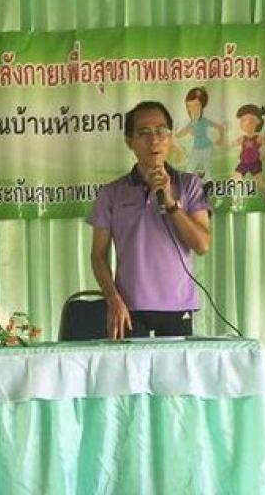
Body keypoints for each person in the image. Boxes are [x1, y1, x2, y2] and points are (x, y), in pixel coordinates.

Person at [88, 101, 211, 339]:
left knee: (176, 365)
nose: (154, 140)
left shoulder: (189, 185)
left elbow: (202, 245)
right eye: (144, 133)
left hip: (177, 305)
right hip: (129, 308)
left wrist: (171, 202)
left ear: (170, 137)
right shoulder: (112, 193)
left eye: (161, 131)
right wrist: (113, 299)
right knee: (130, 365)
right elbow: (98, 256)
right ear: (129, 141)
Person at [175, 87, 226, 178]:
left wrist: (221, 139)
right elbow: (184, 131)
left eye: (197, 105)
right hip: (196, 148)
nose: (193, 109)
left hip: (206, 147)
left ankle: (207, 183)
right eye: (189, 106)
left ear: (202, 106)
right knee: (190, 168)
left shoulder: (204, 121)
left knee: (206, 168)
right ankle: (191, 183)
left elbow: (220, 127)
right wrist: (176, 135)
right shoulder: (192, 122)